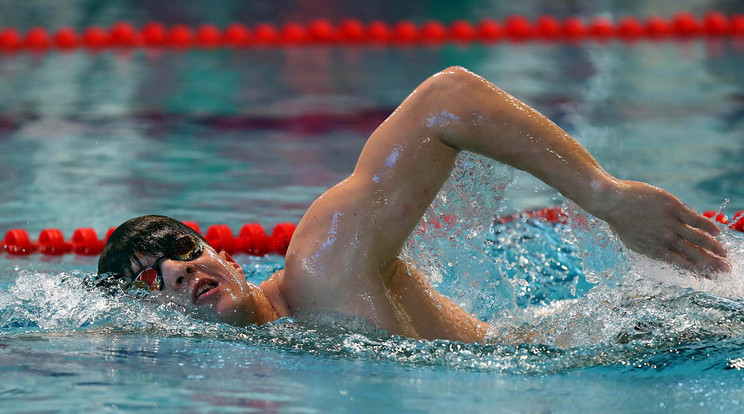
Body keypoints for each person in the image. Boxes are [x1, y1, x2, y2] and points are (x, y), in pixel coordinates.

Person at [97, 66, 730, 343]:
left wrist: (606, 198)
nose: (178, 271)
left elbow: (444, 97)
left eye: (181, 250)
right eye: (153, 278)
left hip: (639, 335)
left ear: (224, 255)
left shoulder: (323, 261)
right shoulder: (266, 349)